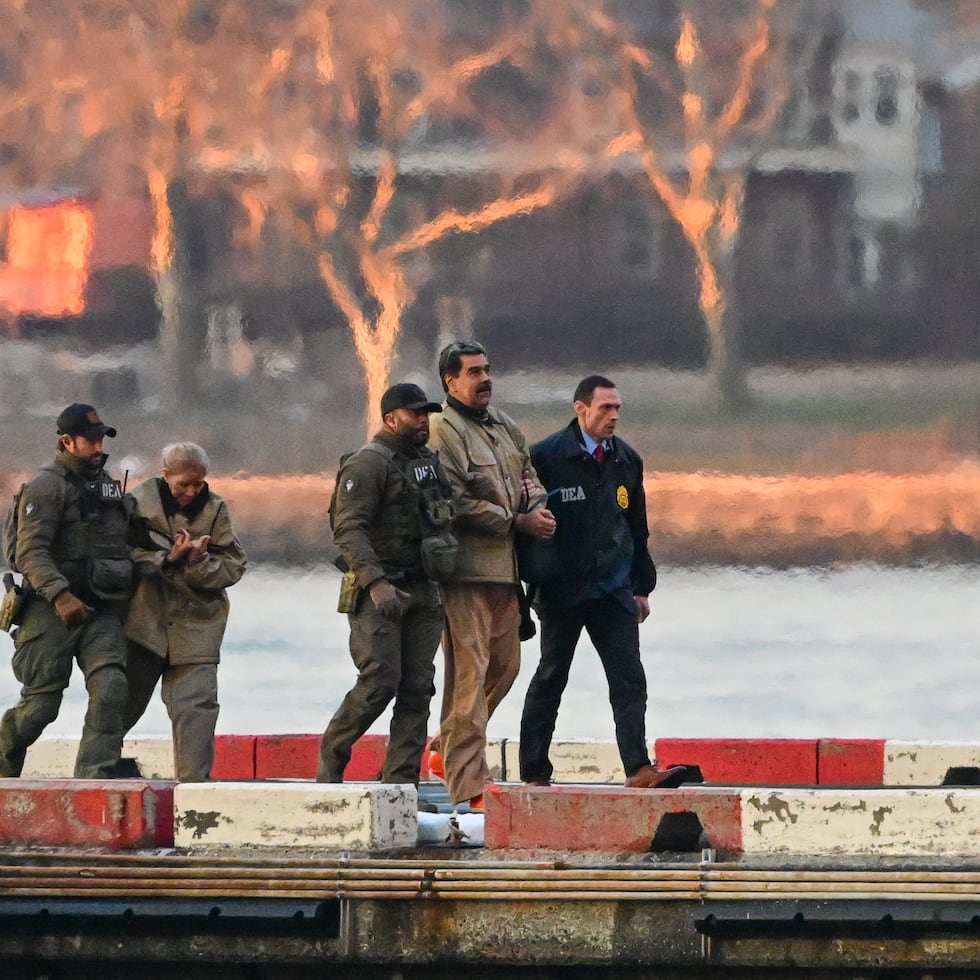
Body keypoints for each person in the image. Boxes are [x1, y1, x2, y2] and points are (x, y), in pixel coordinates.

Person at [518, 375, 687, 789]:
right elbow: (524, 526)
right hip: (561, 590)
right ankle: (534, 771)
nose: (613, 416)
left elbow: (637, 527)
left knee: (629, 678)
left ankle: (637, 768)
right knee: (551, 676)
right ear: (581, 409)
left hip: (612, 588)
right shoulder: (546, 457)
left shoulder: (626, 460)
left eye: (617, 409)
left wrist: (642, 586)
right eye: (604, 408)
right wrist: (527, 582)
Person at [426, 341, 555, 809]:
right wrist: (515, 519)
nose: (485, 379)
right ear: (450, 381)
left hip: (506, 571)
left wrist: (535, 504)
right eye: (474, 372)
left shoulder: (503, 426)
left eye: (487, 370)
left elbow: (530, 478)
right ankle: (469, 787)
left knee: (506, 666)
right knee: (469, 673)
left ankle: (445, 747)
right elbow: (454, 500)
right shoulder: (443, 429)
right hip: (465, 573)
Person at [317, 383, 456, 804]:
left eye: (426, 414)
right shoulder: (368, 464)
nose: (423, 421)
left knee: (418, 688)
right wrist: (376, 583)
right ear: (391, 419)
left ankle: (401, 785)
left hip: (424, 590)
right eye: (415, 414)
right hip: (381, 592)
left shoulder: (427, 464)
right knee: (379, 681)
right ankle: (331, 761)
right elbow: (348, 528)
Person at [0, 403, 134, 778]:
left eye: (101, 439)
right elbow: (29, 553)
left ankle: (95, 777)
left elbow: (129, 539)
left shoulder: (108, 487)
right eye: (90, 440)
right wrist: (61, 595)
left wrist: (171, 555)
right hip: (48, 608)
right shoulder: (46, 487)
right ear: (66, 442)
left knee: (111, 687)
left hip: (99, 607)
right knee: (41, 705)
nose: (98, 447)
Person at [122, 442, 247, 782]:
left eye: (199, 484)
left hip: (197, 626)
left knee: (196, 709)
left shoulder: (216, 509)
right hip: (144, 623)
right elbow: (120, 556)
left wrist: (198, 560)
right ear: (166, 475)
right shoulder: (136, 504)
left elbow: (234, 565)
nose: (192, 492)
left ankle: (195, 789)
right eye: (184, 484)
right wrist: (165, 558)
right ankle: (94, 775)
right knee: (118, 706)